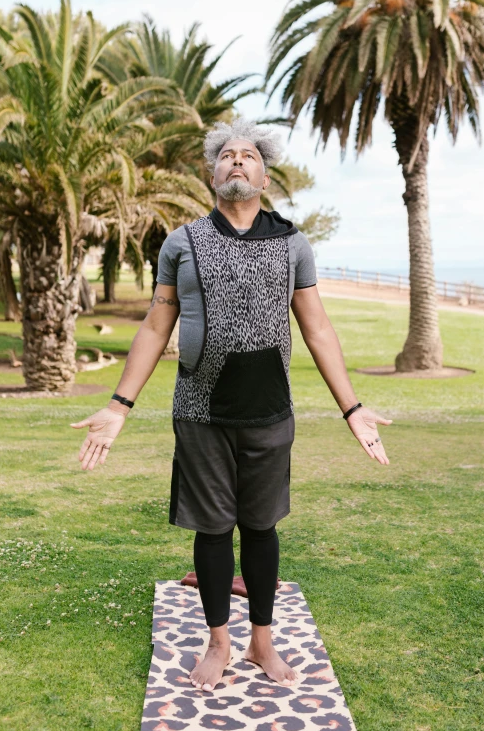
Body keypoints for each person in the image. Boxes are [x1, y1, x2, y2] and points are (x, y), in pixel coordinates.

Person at [71, 117, 391, 694]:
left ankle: (260, 641)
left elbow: (317, 328)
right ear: (212, 173)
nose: (237, 161)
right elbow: (155, 324)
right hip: (199, 414)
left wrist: (353, 408)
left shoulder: (291, 242)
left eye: (248, 154)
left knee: (262, 527)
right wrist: (119, 405)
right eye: (226, 155)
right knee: (213, 531)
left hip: (270, 412)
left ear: (264, 174)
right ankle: (219, 642)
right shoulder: (182, 242)